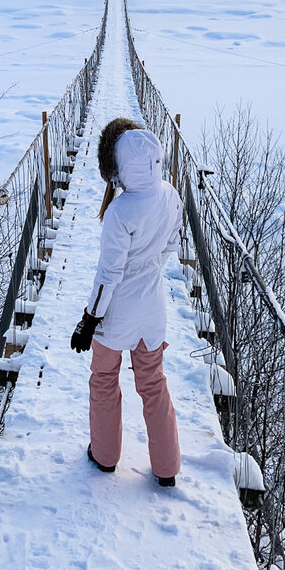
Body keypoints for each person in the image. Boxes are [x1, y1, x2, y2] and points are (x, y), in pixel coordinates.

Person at [70, 118, 183, 487]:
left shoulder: (120, 211)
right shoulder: (170, 194)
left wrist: (90, 319)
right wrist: (148, 267)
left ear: (117, 167)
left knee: (104, 379)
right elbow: (171, 246)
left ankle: (104, 457)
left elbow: (109, 274)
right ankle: (167, 469)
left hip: (116, 314)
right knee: (153, 382)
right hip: (153, 307)